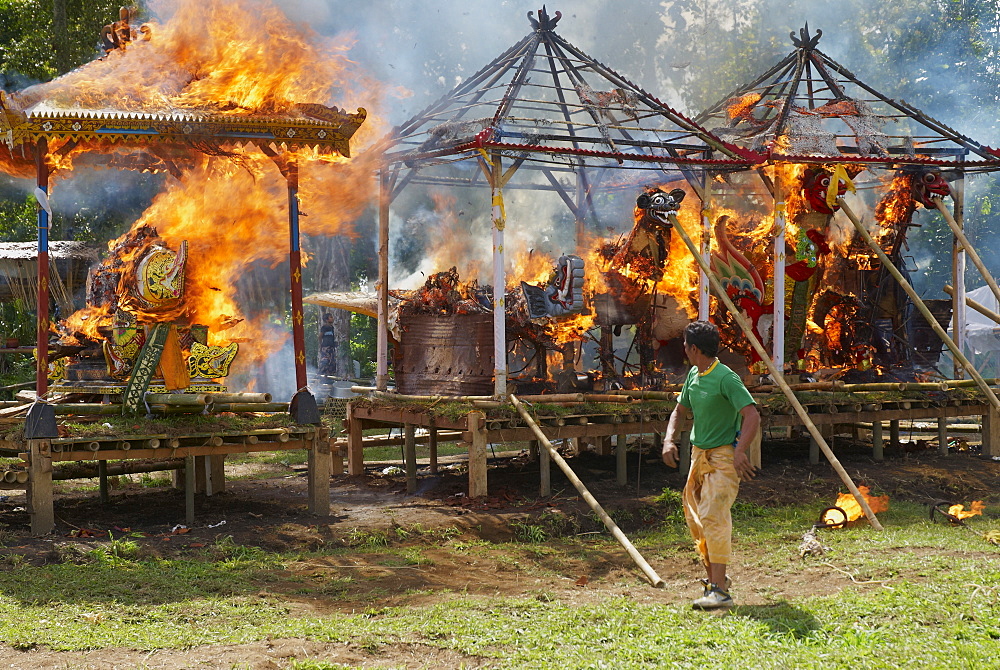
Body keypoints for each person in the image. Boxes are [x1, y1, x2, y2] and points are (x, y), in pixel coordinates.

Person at [661, 320, 760, 610]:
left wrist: (741, 451)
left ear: (693, 348)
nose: (683, 350)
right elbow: (679, 411)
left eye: (684, 345)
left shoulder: (726, 378)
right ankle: (716, 583)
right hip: (698, 456)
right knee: (696, 519)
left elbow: (751, 415)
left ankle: (719, 592)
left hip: (723, 458)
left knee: (713, 515)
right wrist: (669, 441)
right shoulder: (693, 375)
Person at [318, 312, 337, 377]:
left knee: (331, 361)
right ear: (327, 320)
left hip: (331, 347)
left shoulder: (332, 327)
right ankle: (321, 374)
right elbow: (320, 336)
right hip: (326, 347)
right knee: (325, 360)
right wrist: (321, 345)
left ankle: (329, 376)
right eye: (331, 317)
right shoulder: (324, 327)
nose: (332, 318)